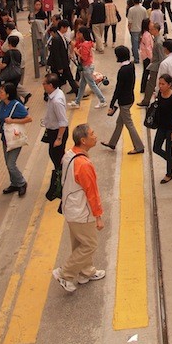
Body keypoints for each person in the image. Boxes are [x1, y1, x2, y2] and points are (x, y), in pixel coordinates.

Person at [52, 124, 105, 293]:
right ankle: (64, 273)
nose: (95, 136)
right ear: (84, 140)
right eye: (92, 134)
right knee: (90, 244)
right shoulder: (84, 164)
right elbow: (92, 192)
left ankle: (85, 272)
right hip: (81, 211)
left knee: (79, 243)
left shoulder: (69, 154)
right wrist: (98, 216)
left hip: (70, 207)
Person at [0, 82, 31, 197]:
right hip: (5, 138)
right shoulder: (1, 103)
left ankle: (21, 182)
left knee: (11, 164)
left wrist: (13, 121)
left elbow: (29, 118)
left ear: (8, 94)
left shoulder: (16, 105)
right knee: (7, 163)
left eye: (1, 92)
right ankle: (14, 183)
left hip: (15, 138)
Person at [68, 27, 107, 109]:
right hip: (87, 66)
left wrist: (76, 52)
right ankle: (77, 102)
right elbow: (76, 44)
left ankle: (102, 100)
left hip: (86, 67)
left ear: (83, 34)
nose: (77, 35)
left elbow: (84, 58)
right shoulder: (87, 42)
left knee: (92, 85)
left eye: (79, 33)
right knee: (82, 85)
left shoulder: (85, 45)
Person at [152, 74, 172, 184]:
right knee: (156, 148)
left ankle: (169, 174)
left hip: (170, 128)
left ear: (169, 85)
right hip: (161, 127)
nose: (160, 86)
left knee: (169, 150)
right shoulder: (160, 93)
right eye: (159, 84)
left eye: (163, 84)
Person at [42, 73, 69, 170]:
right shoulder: (56, 93)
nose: (43, 86)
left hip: (57, 132)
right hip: (53, 130)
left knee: (57, 157)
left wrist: (59, 139)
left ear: (50, 85)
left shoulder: (56, 101)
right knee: (55, 155)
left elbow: (63, 121)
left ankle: (61, 178)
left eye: (44, 83)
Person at [138, 22, 165, 106]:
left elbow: (161, 57)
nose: (150, 31)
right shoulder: (157, 39)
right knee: (152, 84)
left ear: (156, 30)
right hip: (156, 65)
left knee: (151, 84)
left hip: (156, 67)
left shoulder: (159, 42)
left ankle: (146, 101)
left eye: (151, 29)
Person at [127, 0, 147, 65]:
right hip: (141, 29)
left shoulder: (131, 10)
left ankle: (136, 59)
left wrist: (129, 29)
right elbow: (146, 20)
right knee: (142, 43)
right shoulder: (144, 9)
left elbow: (130, 21)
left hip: (134, 29)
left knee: (134, 45)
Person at [139, 18, 153, 95]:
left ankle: (143, 88)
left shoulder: (145, 33)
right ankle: (143, 88)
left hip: (145, 56)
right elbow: (148, 47)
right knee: (147, 72)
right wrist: (151, 58)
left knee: (146, 72)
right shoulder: (147, 35)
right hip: (147, 57)